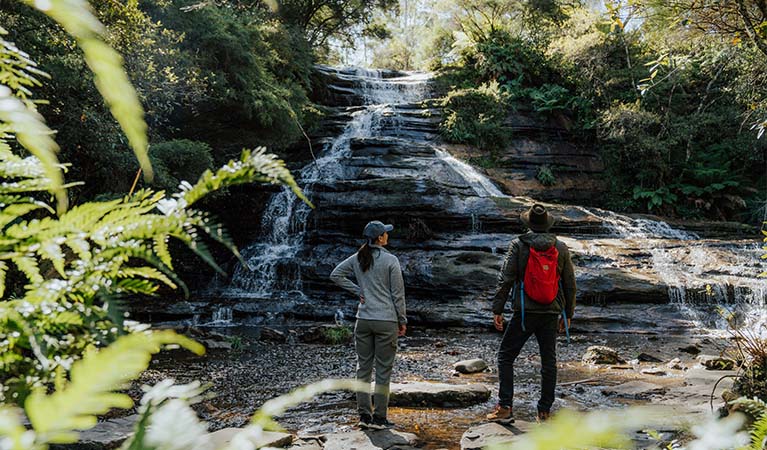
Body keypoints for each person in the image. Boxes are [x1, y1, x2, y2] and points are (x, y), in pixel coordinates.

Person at [487, 204, 576, 423]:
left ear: (528, 224)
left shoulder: (518, 245)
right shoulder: (561, 248)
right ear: (547, 224)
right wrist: (569, 314)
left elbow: (505, 278)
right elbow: (570, 284)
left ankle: (505, 407)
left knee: (506, 356)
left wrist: (497, 309)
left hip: (525, 312)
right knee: (549, 362)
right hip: (551, 313)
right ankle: (544, 412)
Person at [330, 220, 407, 430]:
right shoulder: (391, 260)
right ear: (380, 238)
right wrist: (402, 320)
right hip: (386, 321)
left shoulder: (358, 257)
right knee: (383, 371)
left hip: (363, 320)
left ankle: (364, 416)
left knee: (362, 369)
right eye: (385, 234)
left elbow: (335, 274)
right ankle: (380, 419)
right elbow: (398, 295)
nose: (387, 236)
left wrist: (359, 292)